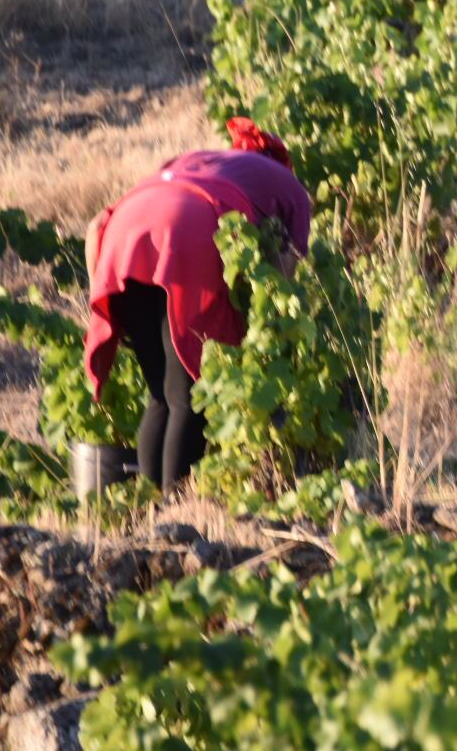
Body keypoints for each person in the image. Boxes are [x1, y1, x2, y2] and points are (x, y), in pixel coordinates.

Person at [84, 118, 312, 491]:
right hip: (188, 230)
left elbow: (96, 226)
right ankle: (175, 508)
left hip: (122, 236)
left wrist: (109, 304)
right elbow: (283, 273)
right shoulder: (292, 190)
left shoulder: (196, 160)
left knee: (160, 396)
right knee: (188, 397)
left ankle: (154, 505)